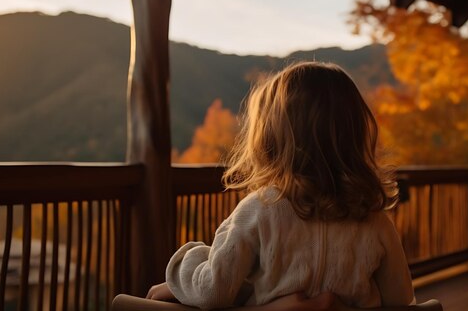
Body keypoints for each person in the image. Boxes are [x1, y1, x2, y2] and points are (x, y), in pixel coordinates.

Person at [147, 62, 415, 309]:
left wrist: (190, 261)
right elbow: (401, 300)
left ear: (271, 137)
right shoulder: (375, 220)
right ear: (355, 135)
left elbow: (212, 291)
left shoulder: (259, 209)